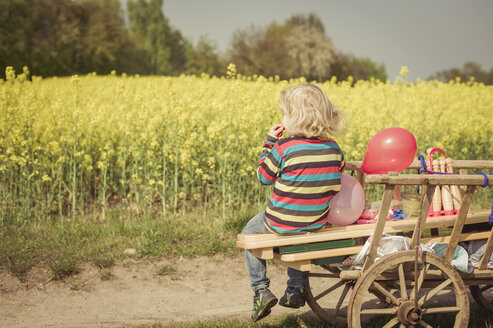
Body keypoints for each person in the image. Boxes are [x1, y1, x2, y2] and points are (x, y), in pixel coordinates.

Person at [242, 83, 346, 321]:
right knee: (299, 235)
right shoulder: (333, 147)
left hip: (281, 222)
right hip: (315, 222)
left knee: (248, 235)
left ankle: (260, 291)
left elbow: (263, 177)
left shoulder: (283, 147)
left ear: (296, 118)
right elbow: (339, 170)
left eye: (285, 114)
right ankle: (295, 290)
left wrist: (269, 143)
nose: (283, 118)